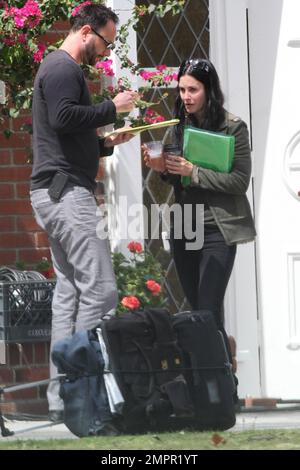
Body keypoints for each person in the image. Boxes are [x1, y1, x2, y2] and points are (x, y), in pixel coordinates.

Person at [30, 3, 137, 422]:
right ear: (88, 30)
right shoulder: (62, 68)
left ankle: (63, 400)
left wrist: (108, 144)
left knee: (70, 294)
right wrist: (113, 107)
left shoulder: (62, 69)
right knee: (102, 291)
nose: (106, 53)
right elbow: (63, 117)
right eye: (106, 42)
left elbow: (68, 135)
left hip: (54, 192)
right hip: (66, 195)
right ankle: (87, 390)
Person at [143, 58, 256, 374]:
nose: (186, 96)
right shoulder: (180, 124)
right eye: (181, 90)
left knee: (206, 308)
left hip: (218, 228)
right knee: (201, 311)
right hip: (184, 226)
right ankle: (218, 383)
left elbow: (238, 181)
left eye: (193, 89)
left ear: (209, 90)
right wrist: (163, 169)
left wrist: (195, 172)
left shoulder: (233, 126)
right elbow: (179, 178)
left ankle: (214, 378)